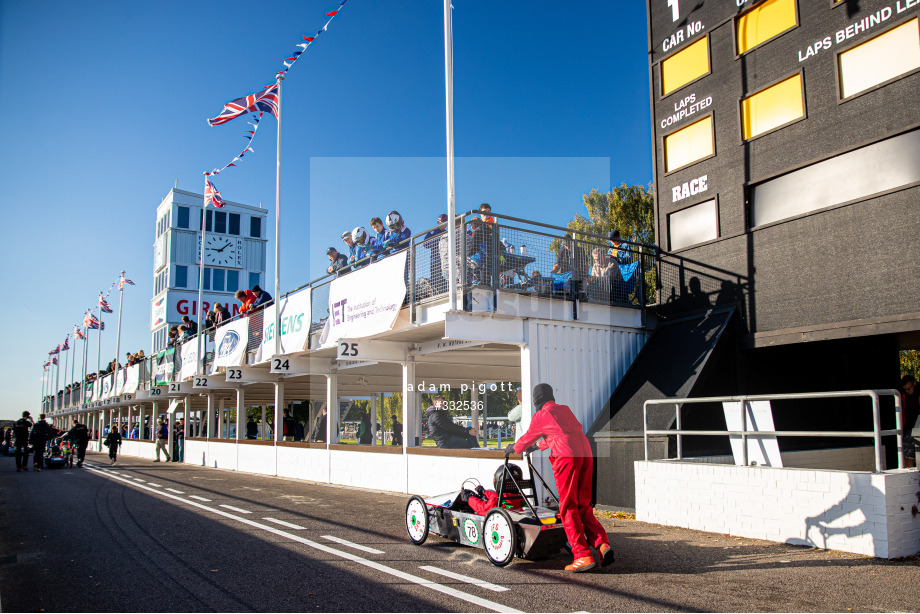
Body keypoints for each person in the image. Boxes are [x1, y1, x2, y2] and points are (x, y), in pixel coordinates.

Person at [505, 383, 613, 573]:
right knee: (583, 505)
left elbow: (528, 437)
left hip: (567, 455)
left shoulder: (541, 415)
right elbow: (560, 433)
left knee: (568, 506)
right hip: (584, 451)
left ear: (536, 399)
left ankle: (582, 555)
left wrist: (514, 448)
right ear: (551, 396)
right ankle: (602, 545)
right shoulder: (564, 409)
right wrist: (538, 447)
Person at [900, 375, 919, 468]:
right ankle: (910, 476)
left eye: (909, 389)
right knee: (908, 455)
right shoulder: (903, 396)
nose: (907, 391)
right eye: (905, 389)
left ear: (914, 383)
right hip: (909, 428)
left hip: (918, 427)